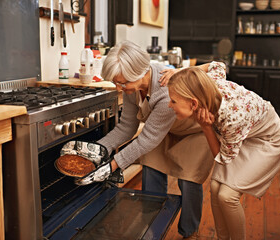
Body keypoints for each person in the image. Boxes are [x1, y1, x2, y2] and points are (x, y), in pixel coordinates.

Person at [76, 40, 214, 239]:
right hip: (161, 131)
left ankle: (189, 232)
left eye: (123, 83)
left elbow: (147, 139)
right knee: (151, 168)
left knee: (188, 179)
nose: (119, 87)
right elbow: (127, 127)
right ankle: (152, 227)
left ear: (141, 72)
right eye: (116, 82)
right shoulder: (132, 88)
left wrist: (113, 165)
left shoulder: (166, 89)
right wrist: (98, 149)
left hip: (193, 132)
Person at [161, 61, 280, 240]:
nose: (169, 105)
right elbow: (218, 65)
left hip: (266, 139)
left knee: (227, 196)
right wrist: (181, 72)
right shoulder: (207, 84)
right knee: (215, 186)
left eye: (173, 101)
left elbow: (222, 157)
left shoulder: (232, 118)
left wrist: (206, 127)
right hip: (241, 135)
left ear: (194, 103)